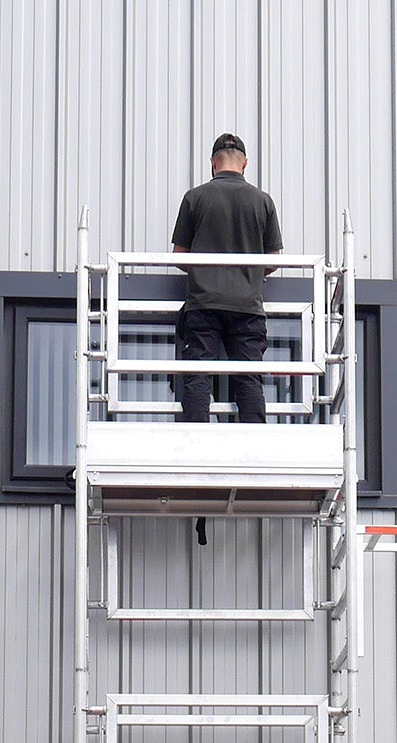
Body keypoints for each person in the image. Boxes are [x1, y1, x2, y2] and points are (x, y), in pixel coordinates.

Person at [171, 134, 283, 543]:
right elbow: (273, 262)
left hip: (203, 303)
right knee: (247, 378)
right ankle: (252, 447)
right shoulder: (263, 201)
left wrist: (207, 276)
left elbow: (181, 255)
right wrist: (245, 277)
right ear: (245, 163)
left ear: (214, 163)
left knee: (198, 373)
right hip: (248, 307)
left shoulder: (196, 198)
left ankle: (197, 444)